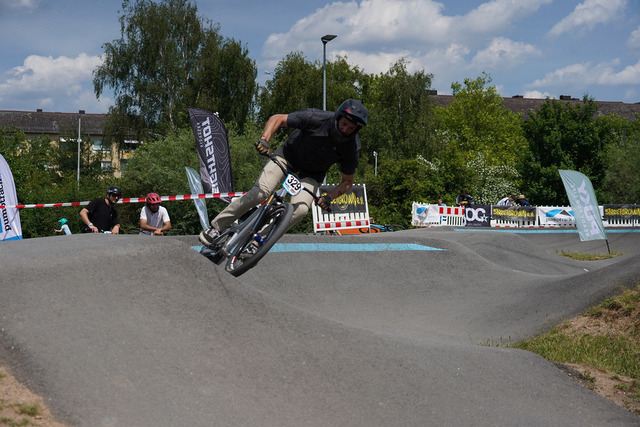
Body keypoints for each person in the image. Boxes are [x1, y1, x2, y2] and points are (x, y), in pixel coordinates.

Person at [199, 98, 368, 246]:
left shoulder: (351, 148)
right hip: (286, 158)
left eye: (351, 128)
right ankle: (216, 228)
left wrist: (329, 198)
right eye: (344, 124)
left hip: (310, 176)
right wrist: (264, 140)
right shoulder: (316, 117)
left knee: (301, 210)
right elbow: (277, 118)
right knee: (260, 193)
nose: (345, 130)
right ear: (338, 117)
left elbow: (347, 181)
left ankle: (259, 242)